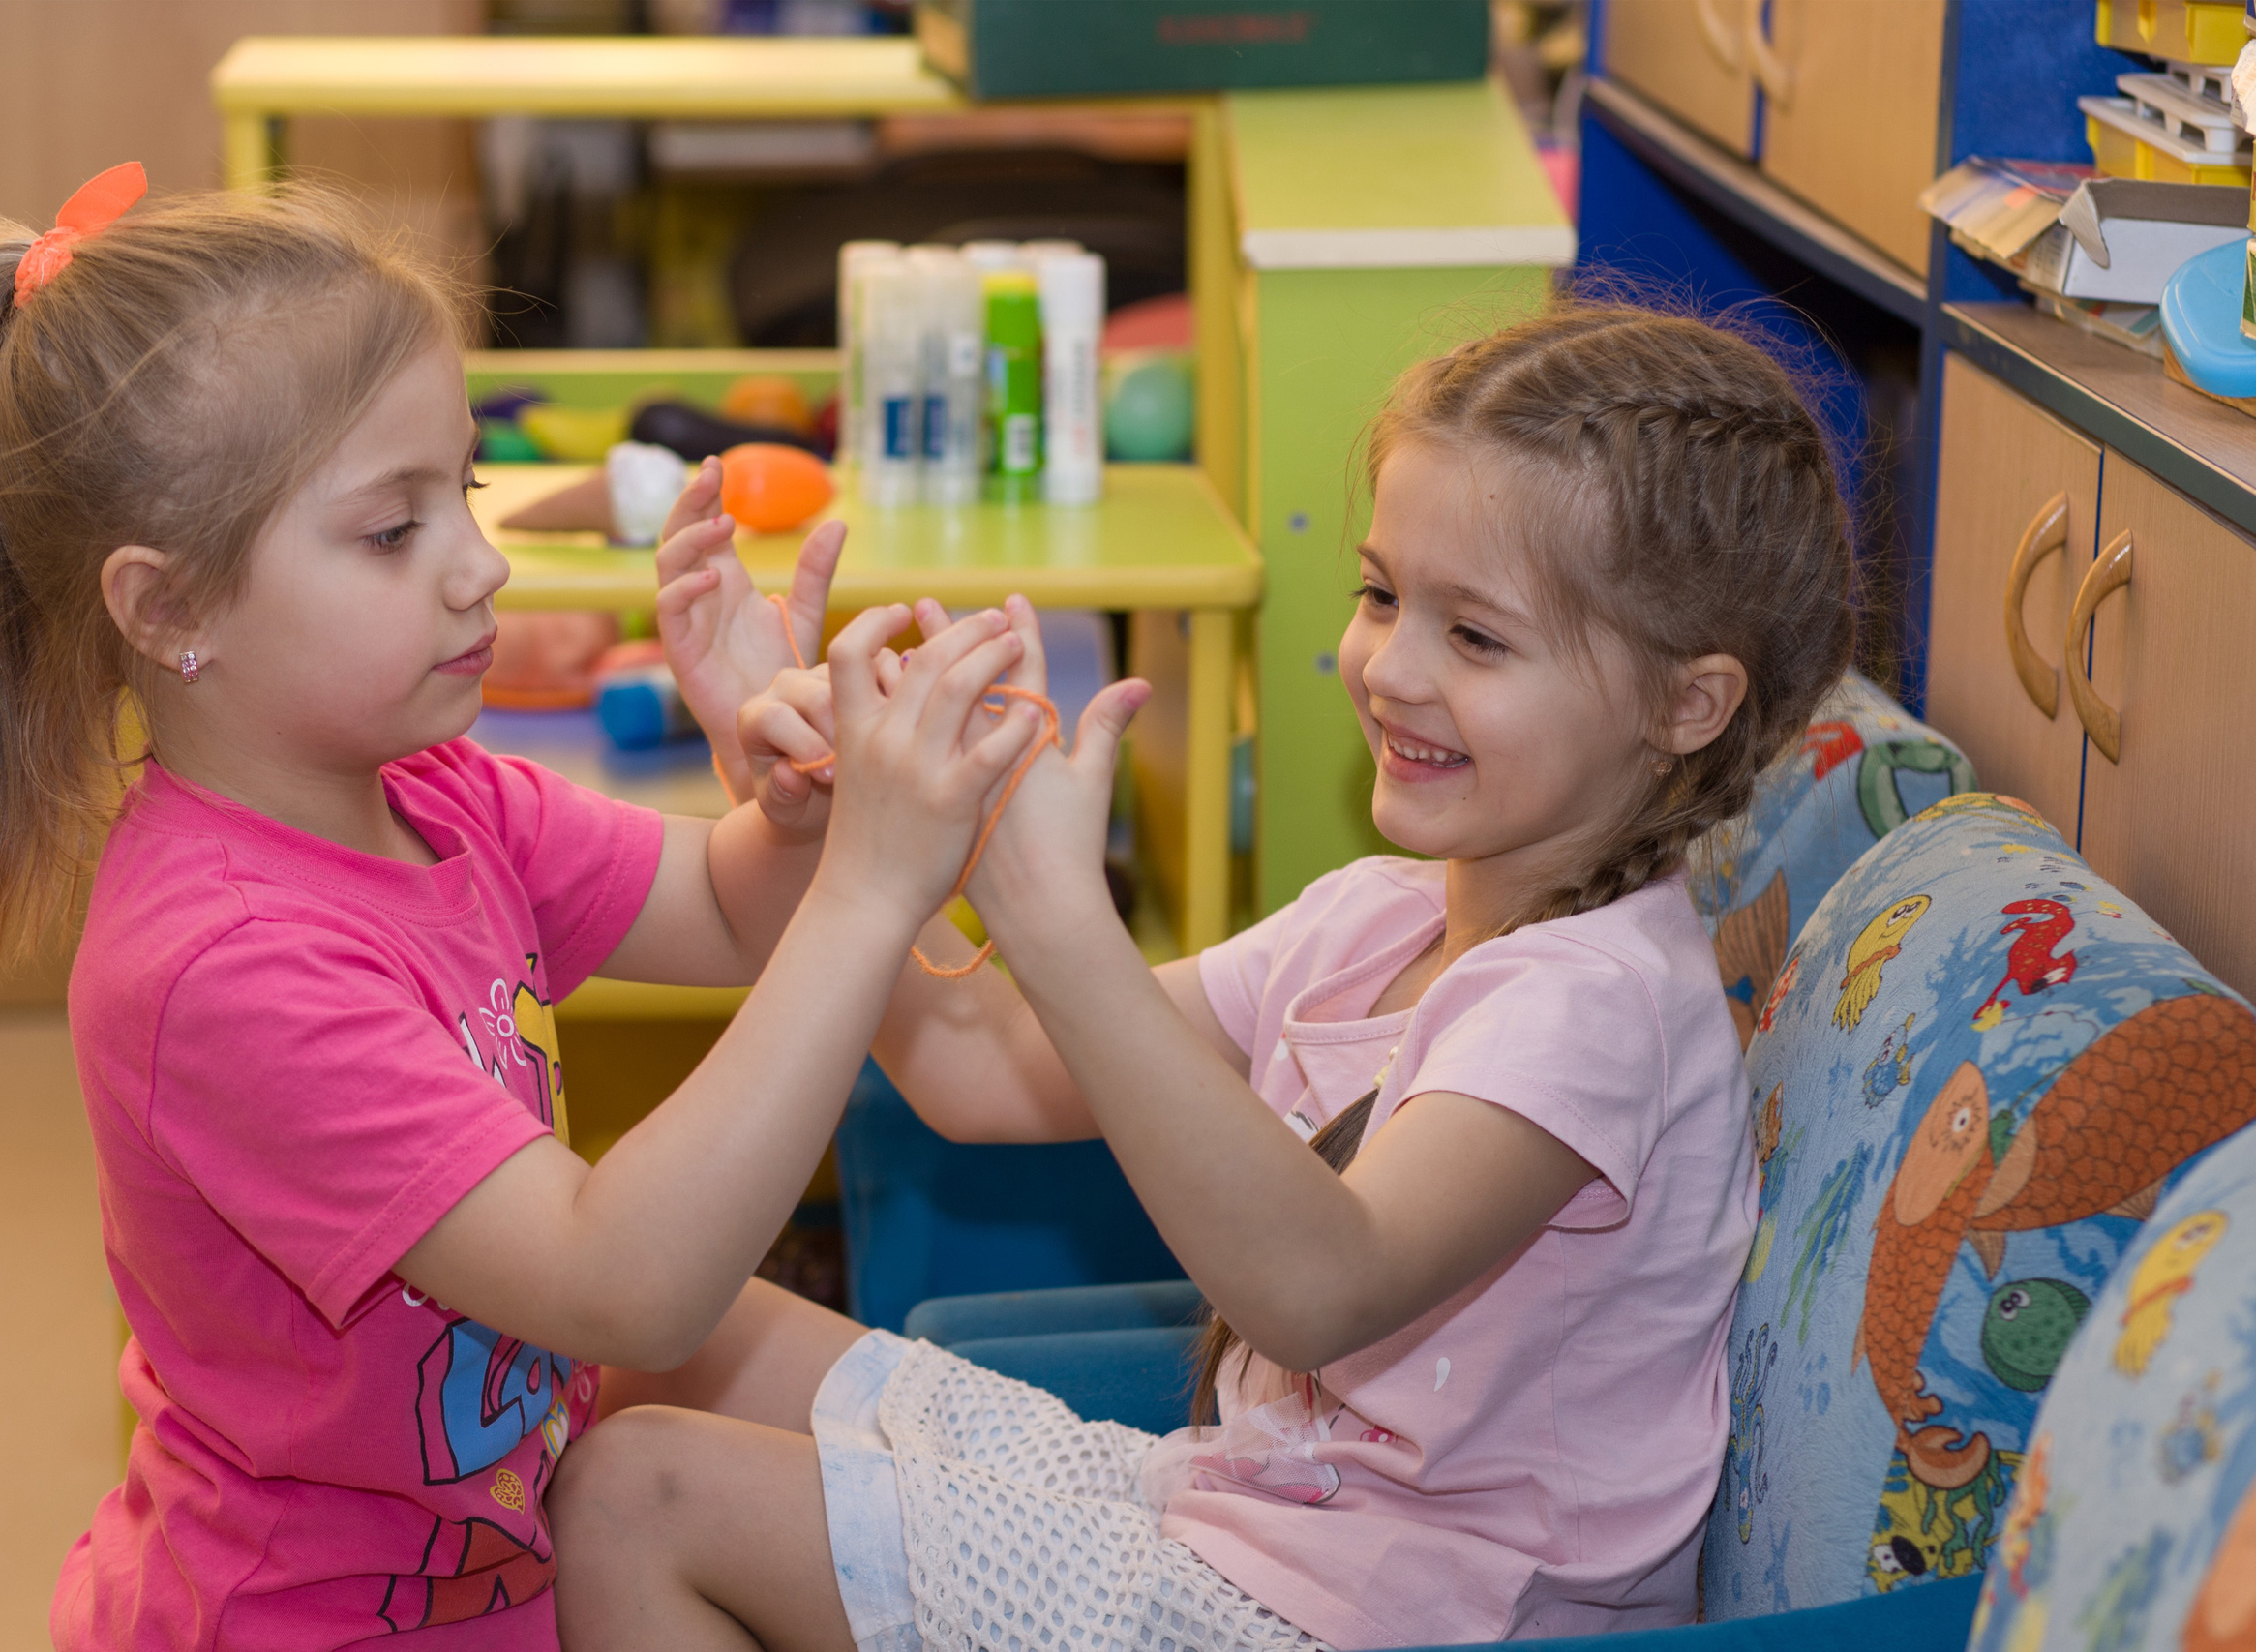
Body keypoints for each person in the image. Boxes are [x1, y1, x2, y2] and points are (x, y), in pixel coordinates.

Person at [559, 305, 1857, 1650]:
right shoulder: (1375, 919)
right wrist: (824, 825)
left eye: (1477, 638)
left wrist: (1061, 921)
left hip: (1387, 1619)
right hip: (1232, 1531)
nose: (1390, 668)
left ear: (1686, 705)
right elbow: (973, 1069)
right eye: (1381, 595)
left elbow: (1320, 1288)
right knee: (663, 1340)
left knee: (637, 1496)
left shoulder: (1599, 1004)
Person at [0, 168, 1045, 1650]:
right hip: (318, 1626)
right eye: (393, 532)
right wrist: (873, 885)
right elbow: (619, 1282)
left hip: (502, 1531)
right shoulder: (221, 965)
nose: (482, 563)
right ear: (169, 611)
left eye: (469, 490)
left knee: (785, 1384)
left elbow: (718, 901)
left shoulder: (434, 791)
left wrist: (805, 810)